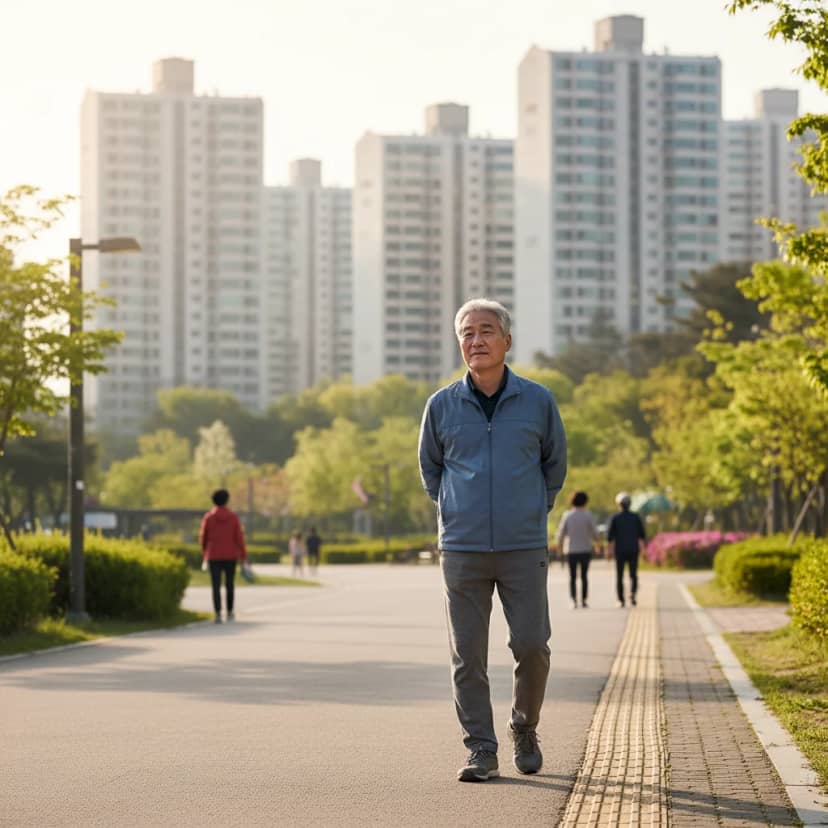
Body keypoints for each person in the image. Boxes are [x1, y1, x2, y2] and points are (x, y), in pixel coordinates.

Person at [418, 298, 567, 783]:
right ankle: (481, 748)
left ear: (507, 340)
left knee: (532, 646)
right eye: (467, 333)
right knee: (468, 656)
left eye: (485, 330)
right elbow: (431, 470)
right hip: (462, 550)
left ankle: (524, 727)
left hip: (523, 547)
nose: (476, 340)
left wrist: (529, 510)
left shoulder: (538, 401)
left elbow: (554, 465)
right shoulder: (441, 405)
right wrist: (456, 511)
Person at [199, 489, 248, 623]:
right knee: (229, 583)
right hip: (230, 555)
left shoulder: (209, 517)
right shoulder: (233, 517)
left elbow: (203, 537)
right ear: (226, 500)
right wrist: (243, 555)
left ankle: (217, 613)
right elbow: (239, 537)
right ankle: (230, 611)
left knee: (215, 585)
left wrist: (205, 552)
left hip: (213, 555)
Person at [555, 491, 600, 610]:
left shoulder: (567, 515)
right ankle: (584, 600)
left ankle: (573, 599)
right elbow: (595, 533)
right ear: (585, 501)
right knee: (584, 576)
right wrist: (597, 544)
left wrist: (559, 547)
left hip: (571, 550)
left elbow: (560, 533)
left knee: (572, 576)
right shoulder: (588, 515)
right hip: (585, 549)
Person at [607, 492, 646, 607]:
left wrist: (609, 551)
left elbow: (610, 537)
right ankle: (633, 594)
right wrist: (643, 550)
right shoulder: (635, 517)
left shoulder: (615, 518)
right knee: (633, 574)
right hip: (633, 549)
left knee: (619, 575)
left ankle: (621, 600)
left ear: (619, 504)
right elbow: (641, 535)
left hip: (620, 550)